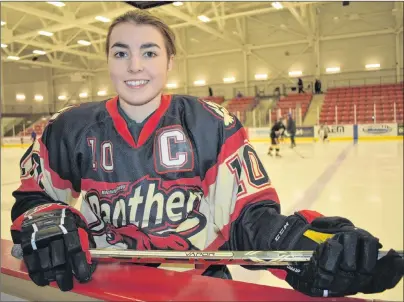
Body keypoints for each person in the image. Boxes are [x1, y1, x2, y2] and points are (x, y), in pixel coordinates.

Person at [10, 10, 403, 296]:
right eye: (120, 52)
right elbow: (34, 197)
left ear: (169, 61)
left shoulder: (211, 124)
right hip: (99, 283)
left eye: (149, 52)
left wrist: (304, 246)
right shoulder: (68, 128)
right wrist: (47, 220)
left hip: (198, 285)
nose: (134, 65)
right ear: (108, 60)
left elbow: (249, 220)